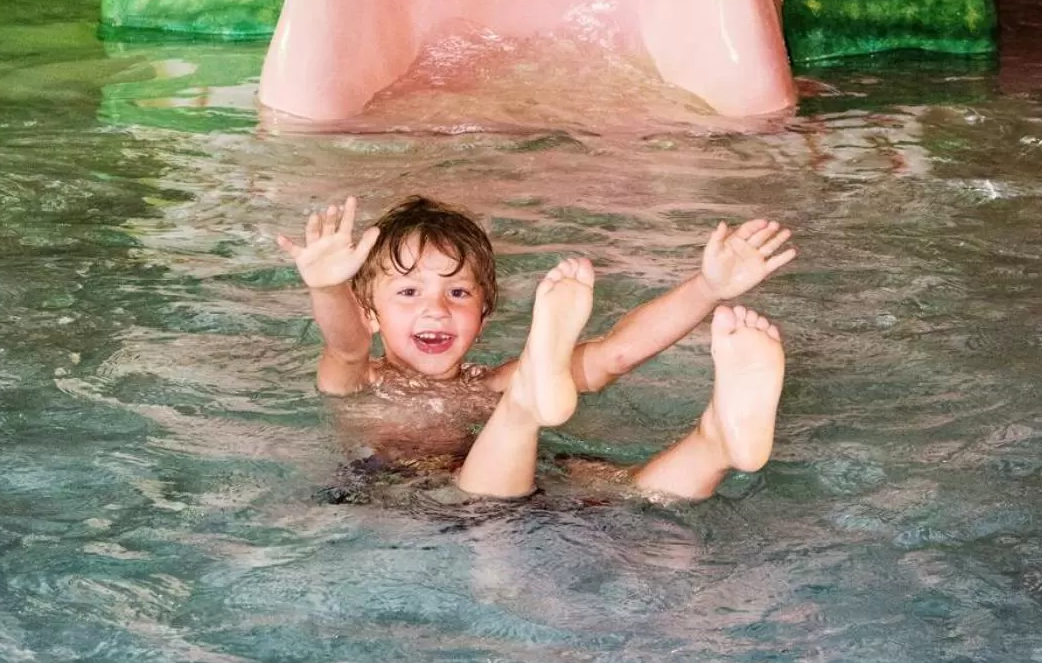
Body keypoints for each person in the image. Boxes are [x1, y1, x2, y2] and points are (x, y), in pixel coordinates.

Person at [277, 194, 794, 501]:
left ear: (483, 315)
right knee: (493, 482)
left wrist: (707, 287)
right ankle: (525, 409)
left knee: (638, 493)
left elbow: (615, 354)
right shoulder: (362, 378)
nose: (436, 308)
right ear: (369, 313)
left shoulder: (487, 383)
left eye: (458, 293)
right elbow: (344, 346)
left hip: (516, 492)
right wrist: (326, 287)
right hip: (407, 500)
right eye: (409, 293)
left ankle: (718, 443)